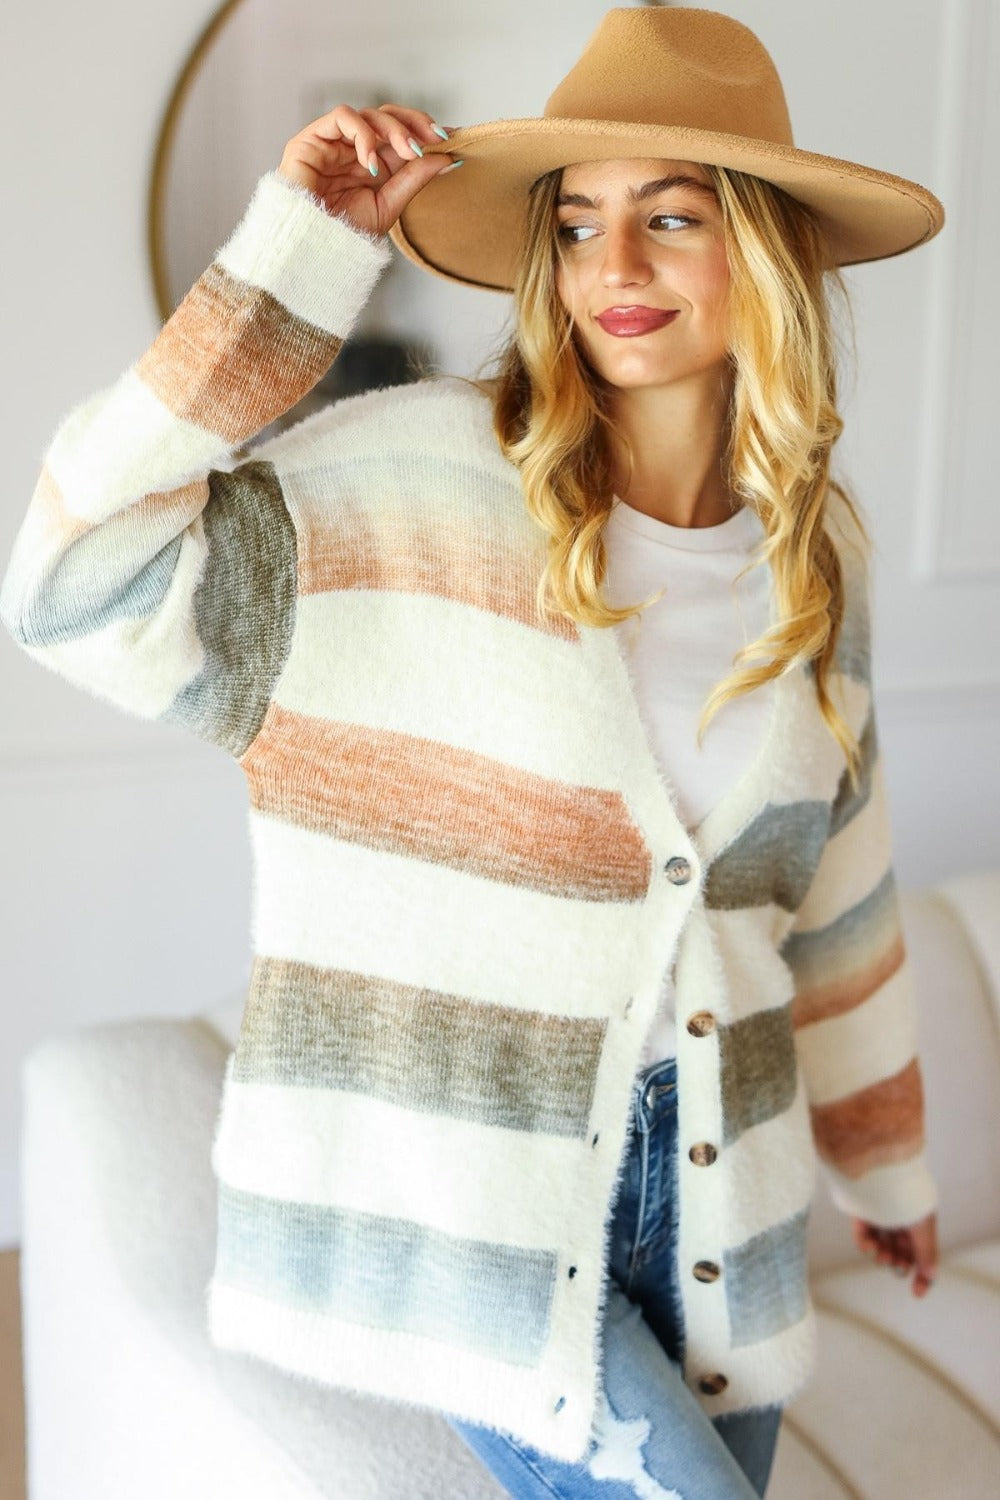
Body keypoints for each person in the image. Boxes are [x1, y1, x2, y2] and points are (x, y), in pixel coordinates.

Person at [0, 7, 944, 1498]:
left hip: (723, 1233)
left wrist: (882, 1164)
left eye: (671, 217)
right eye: (577, 225)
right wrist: (292, 265)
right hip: (470, 1224)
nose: (612, 270)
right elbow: (69, 582)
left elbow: (838, 886)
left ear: (769, 253)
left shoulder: (815, 559)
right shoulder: (409, 487)